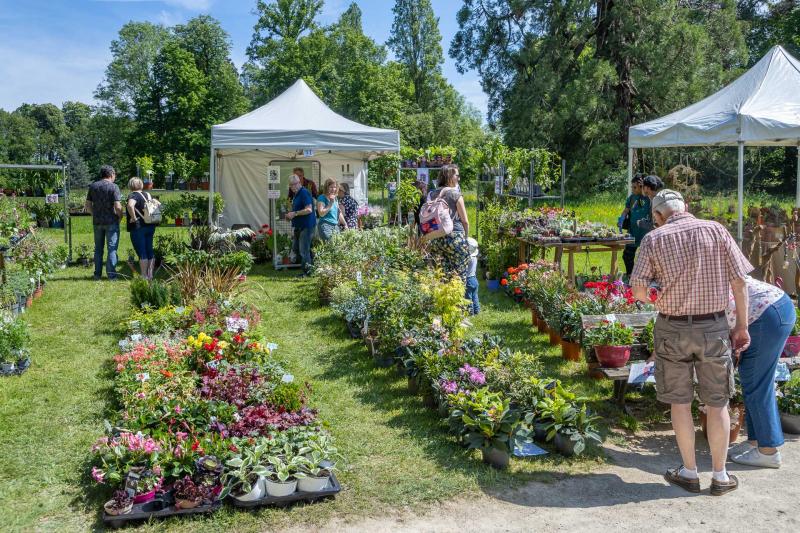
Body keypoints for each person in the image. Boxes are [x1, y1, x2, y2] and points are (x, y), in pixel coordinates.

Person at [631, 189, 753, 496]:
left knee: (680, 402)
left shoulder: (653, 239)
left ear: (658, 215)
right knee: (717, 402)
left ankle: (689, 472)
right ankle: (721, 476)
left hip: (672, 328)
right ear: (685, 208)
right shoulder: (716, 230)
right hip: (713, 326)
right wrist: (742, 326)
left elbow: (639, 291)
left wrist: (661, 293)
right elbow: (740, 283)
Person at [726, 276, 795, 468]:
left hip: (766, 314)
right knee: (752, 381)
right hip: (773, 309)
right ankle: (756, 442)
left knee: (757, 383)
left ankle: (768, 451)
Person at [426, 165, 471, 282]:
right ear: (449, 176)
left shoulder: (431, 194)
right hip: (455, 237)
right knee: (459, 275)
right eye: (457, 175)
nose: (459, 179)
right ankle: (457, 298)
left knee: (442, 275)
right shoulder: (456, 195)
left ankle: (443, 299)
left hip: (437, 237)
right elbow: (465, 221)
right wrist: (465, 237)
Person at [85, 165, 123, 280]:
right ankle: (111, 276)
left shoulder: (93, 186)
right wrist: (120, 217)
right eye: (115, 174)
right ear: (111, 174)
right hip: (111, 221)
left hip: (97, 222)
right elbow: (117, 206)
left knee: (98, 248)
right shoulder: (114, 187)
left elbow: (87, 205)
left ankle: (97, 275)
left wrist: (94, 214)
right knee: (112, 249)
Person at [126, 177, 159, 280]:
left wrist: (134, 218)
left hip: (138, 227)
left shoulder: (133, 195)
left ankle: (144, 275)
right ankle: (150, 274)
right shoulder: (147, 194)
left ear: (130, 185)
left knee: (142, 252)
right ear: (141, 185)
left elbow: (130, 206)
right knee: (149, 250)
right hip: (150, 225)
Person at [618, 175, 651, 277]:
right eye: (632, 187)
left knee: (645, 259)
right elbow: (626, 210)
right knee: (627, 255)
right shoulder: (631, 198)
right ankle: (630, 275)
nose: (632, 189)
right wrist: (622, 218)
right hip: (632, 232)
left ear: (641, 186)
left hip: (645, 233)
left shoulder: (649, 199)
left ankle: (644, 278)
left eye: (635, 187)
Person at [286, 174, 316, 275]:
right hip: (300, 226)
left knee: (304, 251)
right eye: (291, 185)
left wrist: (294, 213)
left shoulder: (304, 193)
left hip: (306, 226)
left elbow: (309, 209)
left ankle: (307, 273)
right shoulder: (297, 194)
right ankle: (310, 270)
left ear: (299, 183)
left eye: (294, 184)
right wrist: (291, 215)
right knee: (304, 250)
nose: (293, 187)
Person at [317, 178, 347, 242]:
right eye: (331, 187)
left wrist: (345, 224)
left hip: (335, 226)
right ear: (326, 187)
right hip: (325, 226)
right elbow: (321, 213)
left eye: (335, 187)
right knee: (330, 247)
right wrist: (331, 203)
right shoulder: (322, 197)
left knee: (338, 247)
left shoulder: (335, 198)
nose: (333, 189)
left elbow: (338, 213)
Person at [465, 237, 480, 315]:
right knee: (475, 296)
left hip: (468, 280)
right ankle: (477, 310)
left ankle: (470, 313)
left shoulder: (468, 258)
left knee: (468, 298)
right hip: (474, 279)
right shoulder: (475, 258)